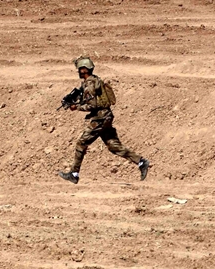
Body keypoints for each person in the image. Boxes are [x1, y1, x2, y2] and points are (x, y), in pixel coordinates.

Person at [58, 57, 150, 185]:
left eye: (80, 69)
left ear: (84, 70)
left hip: (99, 118)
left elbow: (92, 105)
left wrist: (76, 107)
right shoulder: (94, 80)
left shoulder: (90, 84)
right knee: (113, 145)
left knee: (81, 143)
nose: (78, 71)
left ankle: (74, 174)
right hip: (106, 116)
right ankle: (141, 162)